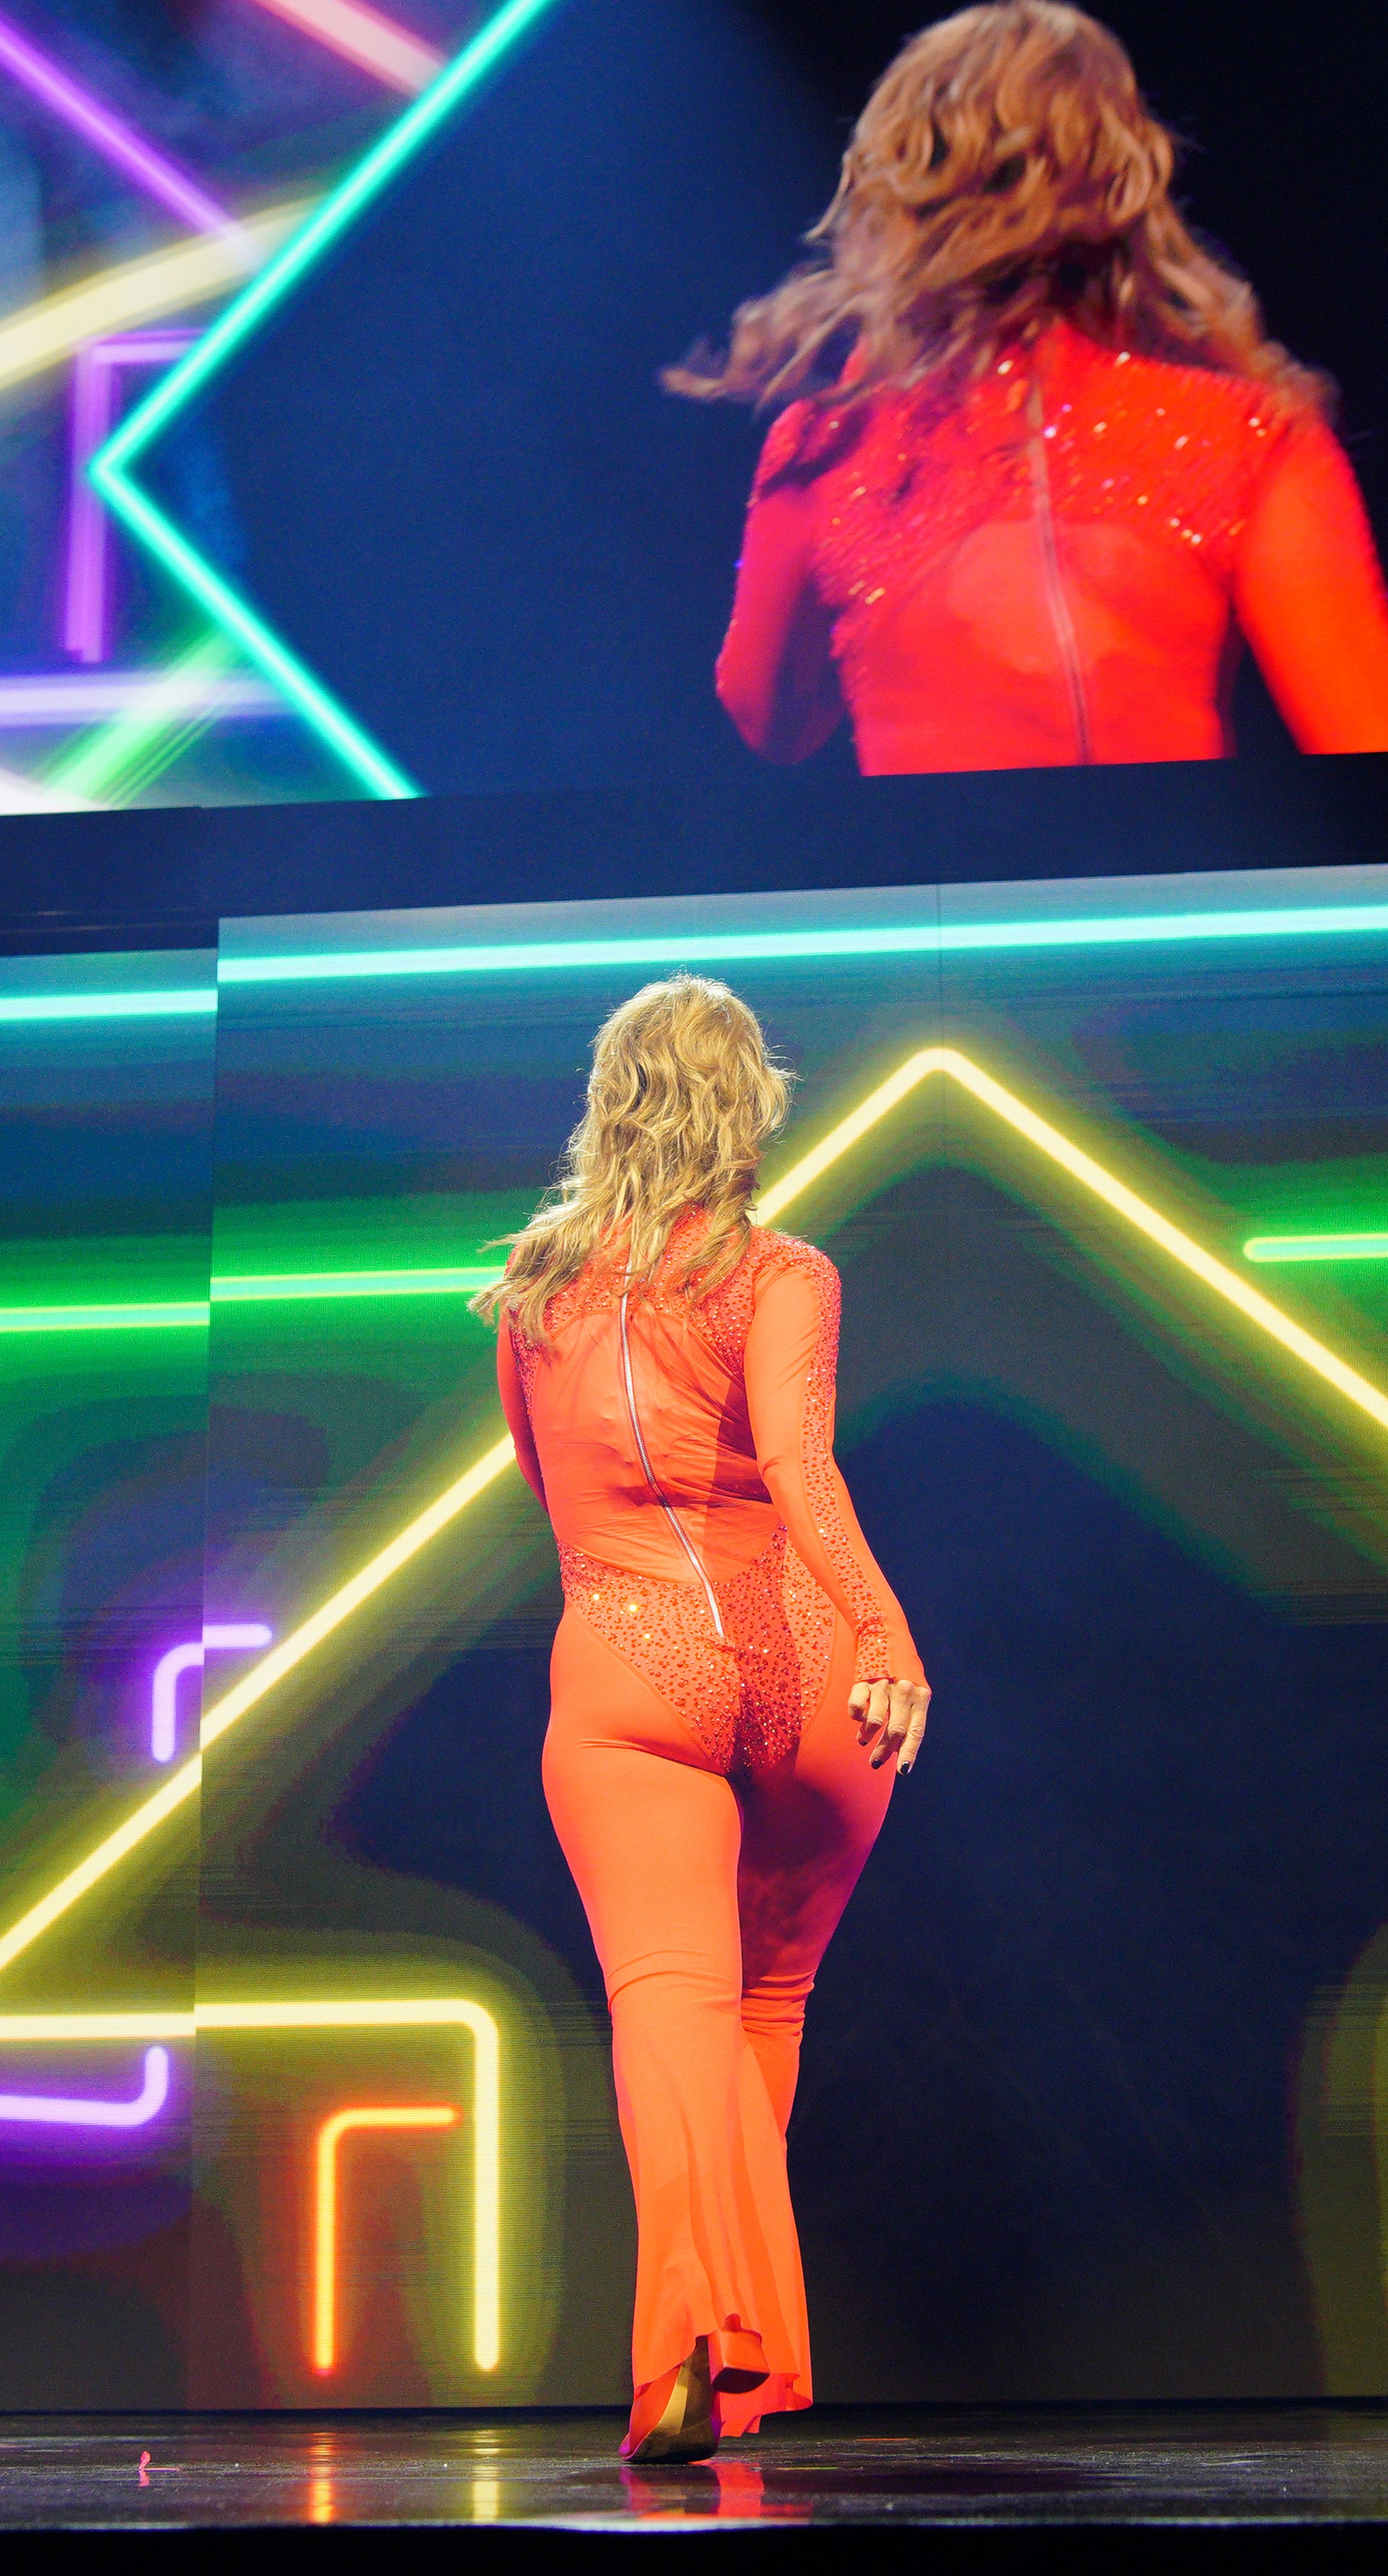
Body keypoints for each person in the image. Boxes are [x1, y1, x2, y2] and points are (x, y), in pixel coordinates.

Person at [475, 978, 934, 2464]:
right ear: (755, 1101)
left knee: (668, 2000)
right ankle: (748, 2349)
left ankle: (691, 2336)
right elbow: (799, 1470)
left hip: (621, 1661)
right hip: (799, 1664)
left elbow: (551, 1498)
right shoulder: (784, 1269)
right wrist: (886, 1629)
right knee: (765, 2006)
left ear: (608, 1095)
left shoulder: (532, 1285)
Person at [673, 1, 1388, 774]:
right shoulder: (1246, 435)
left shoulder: (831, 447)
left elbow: (767, 722)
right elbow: (1386, 734)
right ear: (1122, 186)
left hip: (956, 908)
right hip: (1174, 905)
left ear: (897, 190)